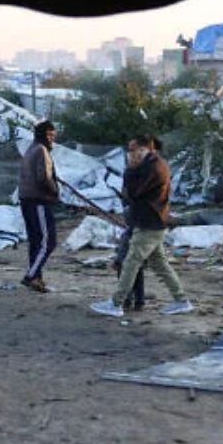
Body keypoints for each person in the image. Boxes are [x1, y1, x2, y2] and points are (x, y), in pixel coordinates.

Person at [90, 134, 192, 317]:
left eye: (132, 150)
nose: (130, 154)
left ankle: (116, 303)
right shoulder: (153, 164)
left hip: (149, 222)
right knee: (159, 263)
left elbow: (134, 192)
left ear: (143, 149)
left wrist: (130, 170)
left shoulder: (152, 167)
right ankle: (181, 300)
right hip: (152, 221)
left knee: (131, 262)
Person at [17, 120, 61, 293]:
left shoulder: (30, 149)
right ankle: (31, 276)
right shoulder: (41, 150)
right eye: (49, 135)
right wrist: (55, 192)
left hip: (26, 199)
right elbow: (43, 178)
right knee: (48, 242)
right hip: (38, 201)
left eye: (53, 135)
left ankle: (37, 279)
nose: (52, 139)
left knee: (35, 242)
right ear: (42, 135)